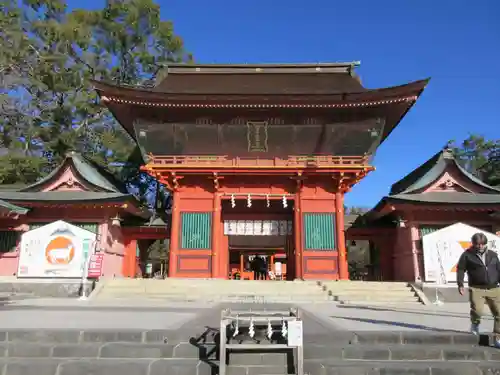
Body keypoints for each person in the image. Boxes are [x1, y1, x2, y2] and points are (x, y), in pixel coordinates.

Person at [457, 232, 500, 346]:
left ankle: (498, 337)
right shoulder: (467, 255)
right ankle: (475, 323)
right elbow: (461, 269)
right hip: (477, 288)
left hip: (494, 288)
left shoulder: (493, 255)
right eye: (478, 244)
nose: (480, 246)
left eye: (482, 244)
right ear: (473, 244)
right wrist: (460, 284)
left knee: (499, 313)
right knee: (478, 310)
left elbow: (498, 269)